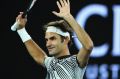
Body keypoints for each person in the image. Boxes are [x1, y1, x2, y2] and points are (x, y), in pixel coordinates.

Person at [12, 0, 94, 78]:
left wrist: (68, 17)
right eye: (47, 40)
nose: (48, 44)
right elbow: (38, 56)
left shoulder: (75, 62)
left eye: (52, 38)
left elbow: (88, 46)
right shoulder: (50, 63)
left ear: (66, 39)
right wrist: (21, 30)